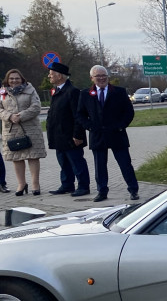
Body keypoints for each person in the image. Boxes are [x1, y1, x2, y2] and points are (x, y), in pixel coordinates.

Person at [76, 65, 139, 202]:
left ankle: (133, 190)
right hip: (97, 135)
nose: (101, 78)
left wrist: (121, 126)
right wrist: (90, 127)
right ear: (92, 78)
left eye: (104, 75)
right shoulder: (85, 94)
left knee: (125, 164)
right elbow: (80, 115)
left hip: (117, 134)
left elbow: (129, 112)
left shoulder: (119, 92)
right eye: (98, 76)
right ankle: (102, 191)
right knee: (100, 166)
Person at [44, 62, 90, 196]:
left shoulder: (72, 91)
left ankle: (83, 186)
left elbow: (78, 115)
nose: (49, 77)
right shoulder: (57, 91)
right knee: (63, 162)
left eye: (51, 74)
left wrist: (78, 135)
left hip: (70, 135)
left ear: (59, 76)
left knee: (76, 161)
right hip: (59, 135)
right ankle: (67, 184)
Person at [1, 68, 47, 196]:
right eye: (11, 78)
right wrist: (10, 116)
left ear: (21, 79)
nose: (14, 81)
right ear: (7, 80)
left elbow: (36, 106)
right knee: (16, 157)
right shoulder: (2, 92)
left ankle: (35, 184)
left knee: (33, 156)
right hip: (11, 129)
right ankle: (21, 184)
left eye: (17, 78)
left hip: (30, 128)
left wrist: (20, 116)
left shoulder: (30, 90)